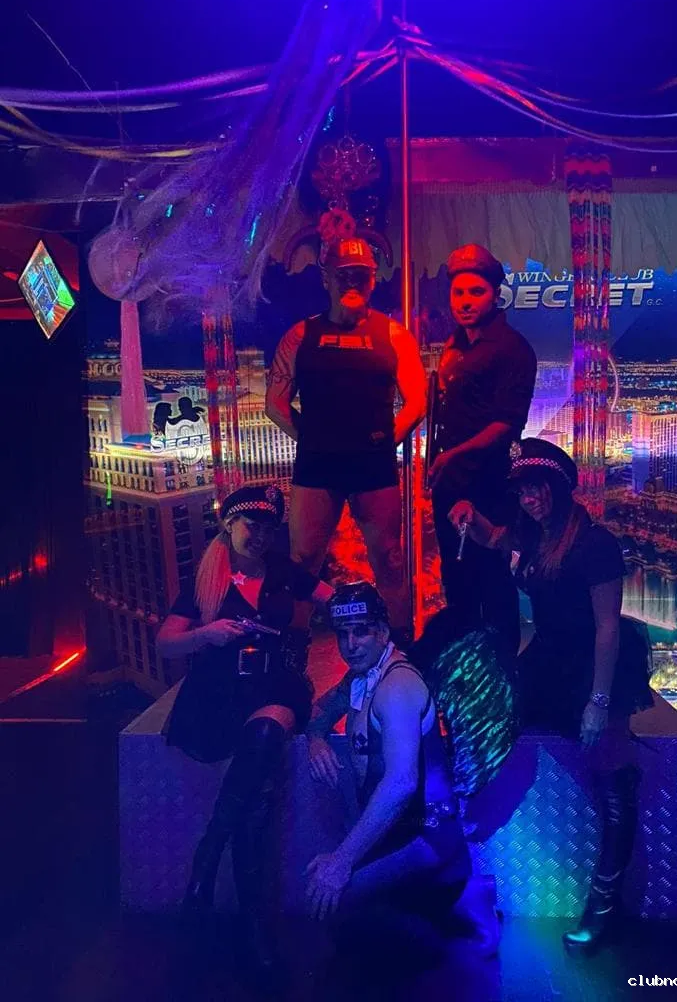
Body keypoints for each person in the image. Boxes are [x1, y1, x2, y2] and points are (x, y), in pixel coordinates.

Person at [449, 438, 653, 952]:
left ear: (560, 487)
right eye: (522, 490)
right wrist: (469, 513)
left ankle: (604, 905)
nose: (530, 498)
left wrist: (599, 702)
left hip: (596, 661)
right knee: (487, 717)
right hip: (547, 656)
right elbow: (494, 539)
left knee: (608, 770)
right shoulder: (529, 535)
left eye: (538, 487)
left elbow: (608, 628)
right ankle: (455, 867)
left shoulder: (595, 544)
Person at [157, 483, 333, 987]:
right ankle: (254, 927)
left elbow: (335, 597)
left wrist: (362, 614)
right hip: (218, 694)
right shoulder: (206, 578)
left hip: (275, 685)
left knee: (267, 732)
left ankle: (209, 854)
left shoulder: (283, 571)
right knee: (255, 801)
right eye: (251, 525)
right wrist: (205, 635)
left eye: (269, 527)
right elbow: (165, 643)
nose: (260, 536)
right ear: (229, 524)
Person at [265, 237, 426, 646]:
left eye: (361, 275)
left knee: (390, 559)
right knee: (303, 562)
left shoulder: (394, 335)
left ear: (373, 279)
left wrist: (383, 444)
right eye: (344, 275)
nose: (353, 282)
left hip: (373, 466)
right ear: (326, 278)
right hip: (318, 466)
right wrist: (314, 441)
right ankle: (294, 650)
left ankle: (400, 647)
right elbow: (275, 405)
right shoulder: (301, 336)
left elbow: (417, 401)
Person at [304, 582, 471, 937]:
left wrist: (342, 860)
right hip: (397, 835)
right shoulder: (361, 678)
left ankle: (453, 920)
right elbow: (318, 712)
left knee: (335, 906)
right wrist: (315, 739)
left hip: (428, 838)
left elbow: (401, 783)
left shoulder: (397, 687)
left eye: (361, 632)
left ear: (382, 632)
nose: (350, 644)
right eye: (343, 634)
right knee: (324, 904)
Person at [429, 244, 536, 654]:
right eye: (458, 292)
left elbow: (506, 424)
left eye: (476, 292)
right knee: (456, 580)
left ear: (495, 294)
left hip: (489, 483)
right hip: (449, 482)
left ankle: (501, 670)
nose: (466, 301)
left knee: (491, 578)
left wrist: (452, 455)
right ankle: (463, 669)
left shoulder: (512, 348)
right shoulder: (454, 345)